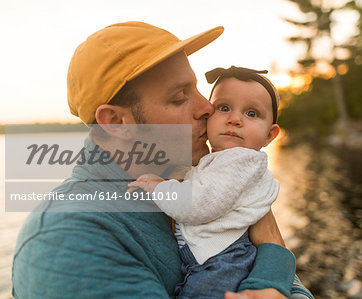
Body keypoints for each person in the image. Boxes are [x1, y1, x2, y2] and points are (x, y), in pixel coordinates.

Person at [11, 21, 313, 299]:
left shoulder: (193, 180)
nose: (208, 107)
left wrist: (273, 267)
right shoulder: (66, 240)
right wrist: (274, 252)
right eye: (180, 97)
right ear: (116, 122)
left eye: (196, 88)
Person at [127, 66, 287, 298]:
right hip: (215, 259)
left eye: (251, 113)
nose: (234, 119)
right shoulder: (218, 162)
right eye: (223, 108)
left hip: (222, 260)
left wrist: (159, 187)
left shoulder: (239, 160)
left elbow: (197, 204)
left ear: (270, 135)